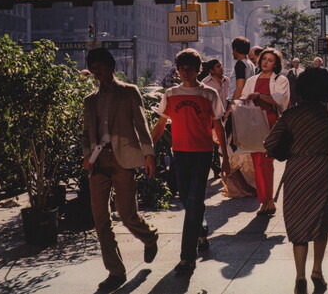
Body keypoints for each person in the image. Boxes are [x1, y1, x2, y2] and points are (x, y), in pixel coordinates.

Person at [264, 67, 328, 294]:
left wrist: (287, 147)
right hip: (322, 170)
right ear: (325, 90)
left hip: (297, 170)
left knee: (298, 223)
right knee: (320, 222)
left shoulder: (290, 115)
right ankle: (317, 270)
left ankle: (300, 276)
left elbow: (269, 143)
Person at [82, 48, 158, 292]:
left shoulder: (128, 92)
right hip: (98, 165)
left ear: (111, 66)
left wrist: (149, 155)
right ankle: (115, 271)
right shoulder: (90, 100)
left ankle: (148, 237)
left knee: (127, 215)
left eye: (100, 66)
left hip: (123, 160)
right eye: (92, 67)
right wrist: (87, 158)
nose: (96, 71)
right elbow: (86, 133)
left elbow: (141, 125)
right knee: (100, 220)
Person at [151, 48, 231, 274]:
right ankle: (202, 229)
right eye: (182, 68)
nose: (186, 72)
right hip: (180, 154)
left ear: (198, 70)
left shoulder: (209, 94)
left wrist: (224, 158)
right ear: (177, 70)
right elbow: (160, 125)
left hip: (203, 154)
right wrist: (147, 149)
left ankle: (187, 258)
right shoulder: (171, 94)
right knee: (189, 201)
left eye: (190, 69)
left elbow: (218, 126)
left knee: (194, 200)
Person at [241, 48, 289, 216]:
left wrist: (259, 95)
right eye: (264, 59)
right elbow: (244, 98)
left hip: (271, 123)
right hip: (253, 123)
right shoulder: (252, 80)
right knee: (257, 162)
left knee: (266, 162)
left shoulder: (281, 80)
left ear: (276, 64)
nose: (266, 62)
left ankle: (268, 200)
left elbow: (279, 100)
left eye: (270, 60)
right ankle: (264, 200)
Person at [202, 59, 230, 179]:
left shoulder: (227, 81)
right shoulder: (205, 83)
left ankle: (226, 165)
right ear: (211, 70)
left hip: (226, 115)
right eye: (218, 67)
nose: (221, 68)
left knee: (226, 142)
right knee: (214, 143)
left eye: (221, 66)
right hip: (213, 117)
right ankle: (216, 168)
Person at [227, 37, 256, 109]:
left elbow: (239, 87)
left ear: (235, 49)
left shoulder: (240, 64)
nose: (232, 53)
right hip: (246, 102)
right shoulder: (251, 64)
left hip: (237, 103)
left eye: (233, 50)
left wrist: (230, 108)